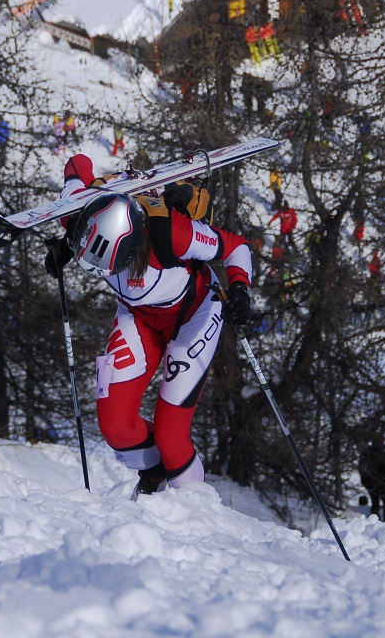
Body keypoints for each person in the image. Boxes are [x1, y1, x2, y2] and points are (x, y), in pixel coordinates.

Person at [44, 154, 255, 495]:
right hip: (137, 316)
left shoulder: (173, 235)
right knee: (115, 425)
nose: (108, 276)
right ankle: (154, 477)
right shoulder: (78, 212)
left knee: (172, 435)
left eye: (113, 268)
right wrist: (68, 248)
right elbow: (78, 164)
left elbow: (236, 248)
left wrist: (241, 289)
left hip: (193, 315)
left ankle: (197, 513)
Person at [358, 436, 385, 520]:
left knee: (376, 501)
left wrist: (364, 481)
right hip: (378, 480)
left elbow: (361, 468)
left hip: (371, 481)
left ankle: (376, 521)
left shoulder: (367, 452)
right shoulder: (381, 453)